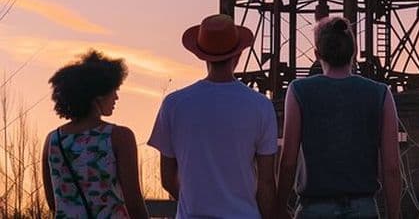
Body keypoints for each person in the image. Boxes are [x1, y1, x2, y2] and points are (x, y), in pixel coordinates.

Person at [148, 14, 278, 218]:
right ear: (238, 55)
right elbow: (266, 183)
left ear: (201, 56)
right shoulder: (260, 105)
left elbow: (167, 178)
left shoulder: (174, 104)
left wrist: (197, 201)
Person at [277, 16, 401, 219]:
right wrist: (394, 215)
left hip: (314, 208)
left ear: (317, 54)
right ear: (354, 51)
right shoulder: (380, 93)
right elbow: (392, 168)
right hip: (363, 208)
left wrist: (279, 208)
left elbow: (288, 161)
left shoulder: (299, 90)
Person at [42, 50, 149, 219]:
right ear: (98, 96)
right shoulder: (119, 137)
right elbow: (133, 201)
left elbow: (54, 202)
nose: (116, 97)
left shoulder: (53, 140)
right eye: (114, 90)